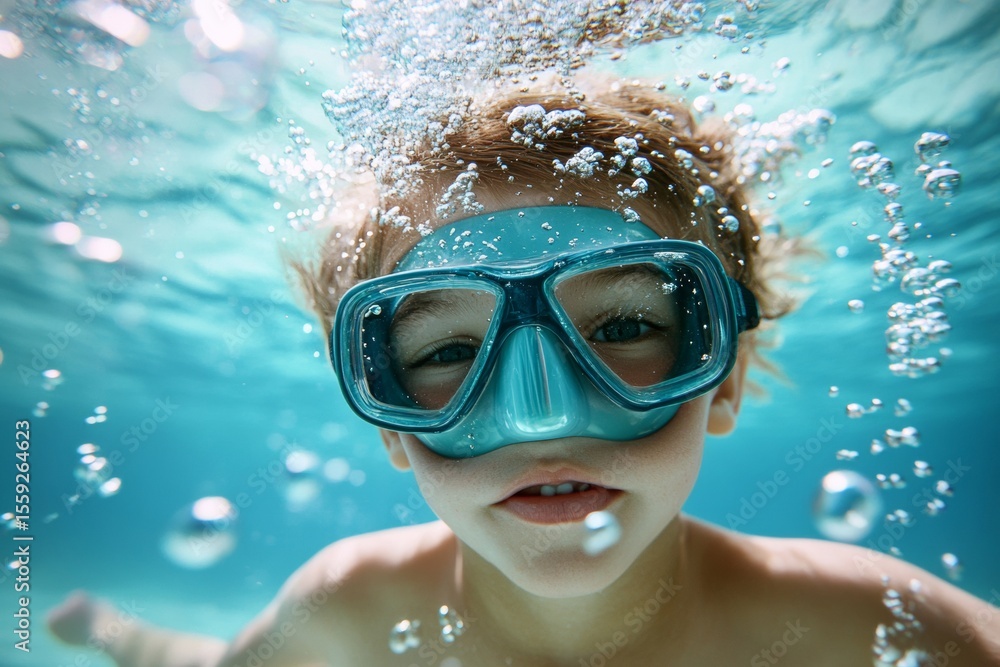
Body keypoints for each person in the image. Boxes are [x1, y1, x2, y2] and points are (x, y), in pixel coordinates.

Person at [49, 74, 1000, 667]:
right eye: (451, 352)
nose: (543, 412)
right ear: (388, 418)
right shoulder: (345, 614)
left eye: (624, 324)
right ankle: (114, 631)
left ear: (726, 376)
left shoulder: (888, 635)